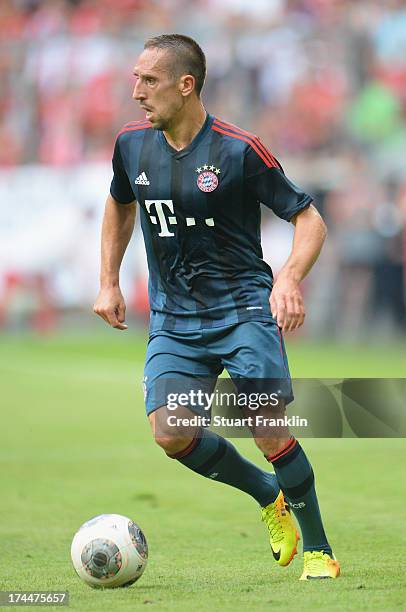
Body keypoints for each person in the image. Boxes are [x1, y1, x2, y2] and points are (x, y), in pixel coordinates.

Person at [94, 34, 340, 581]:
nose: (136, 92)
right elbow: (119, 202)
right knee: (171, 432)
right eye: (135, 78)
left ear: (186, 86)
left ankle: (320, 552)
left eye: (148, 81)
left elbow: (308, 218)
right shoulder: (131, 144)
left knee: (267, 428)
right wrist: (108, 281)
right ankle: (268, 496)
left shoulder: (238, 149)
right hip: (175, 320)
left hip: (244, 312)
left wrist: (290, 278)